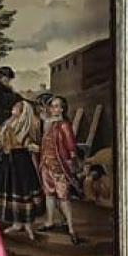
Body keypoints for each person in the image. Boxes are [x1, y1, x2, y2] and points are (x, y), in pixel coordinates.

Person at [0, 99, 42, 239]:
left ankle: (28, 225)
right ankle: (17, 224)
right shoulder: (8, 123)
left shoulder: (27, 125)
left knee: (23, 192)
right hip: (6, 163)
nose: (13, 108)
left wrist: (29, 146)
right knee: (12, 192)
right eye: (14, 106)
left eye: (17, 107)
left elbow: (29, 144)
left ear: (23, 111)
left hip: (21, 163)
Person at [36, 96, 82, 244]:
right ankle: (49, 221)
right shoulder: (48, 124)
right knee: (49, 194)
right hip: (46, 164)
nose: (53, 109)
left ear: (62, 109)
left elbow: (71, 146)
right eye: (52, 106)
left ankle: (71, 228)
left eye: (57, 106)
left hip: (59, 165)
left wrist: (71, 163)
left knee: (63, 196)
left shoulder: (64, 125)